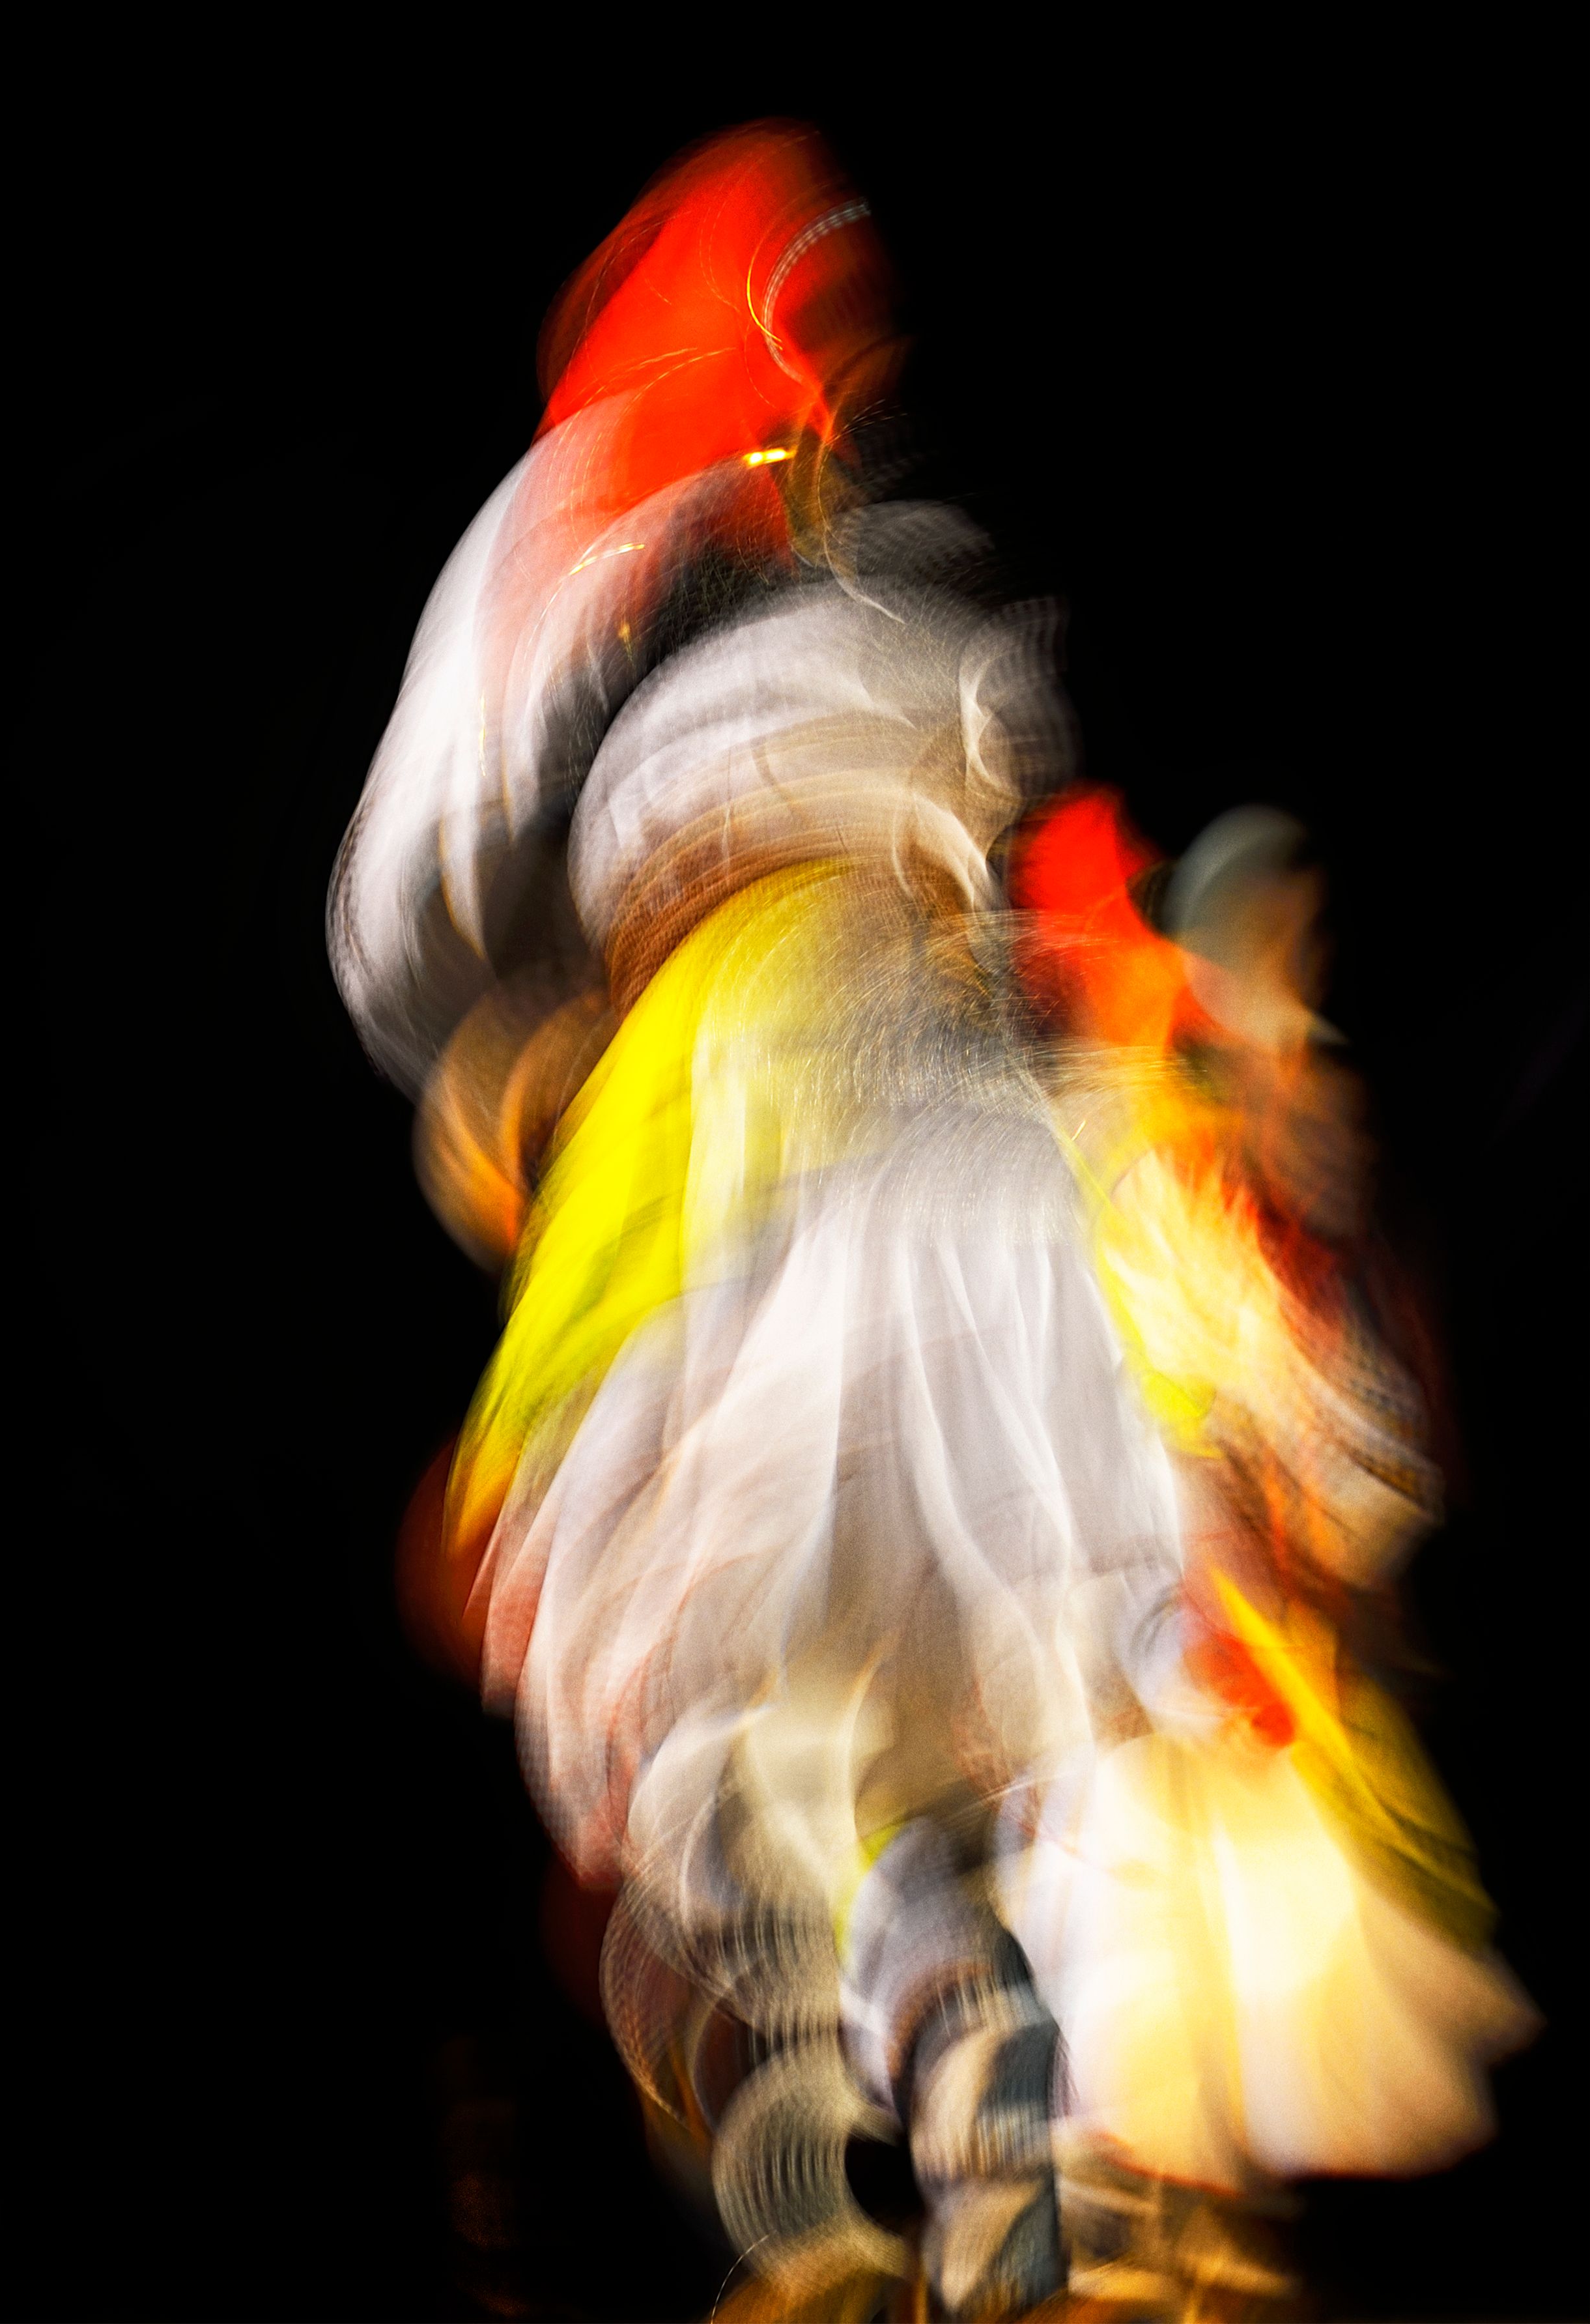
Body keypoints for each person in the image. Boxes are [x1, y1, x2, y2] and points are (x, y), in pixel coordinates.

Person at [331, 129, 1528, 2319]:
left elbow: (1056, 914)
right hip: (724, 1104)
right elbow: (411, 893)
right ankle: (840, 2149)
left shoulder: (896, 579)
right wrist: (511, 1071)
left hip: (936, 1106)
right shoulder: (587, 540)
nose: (840, 344)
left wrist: (1145, 1073)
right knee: (727, 1663)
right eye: (804, 299)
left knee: (950, 1653)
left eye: (841, 306)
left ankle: (988, 2158)